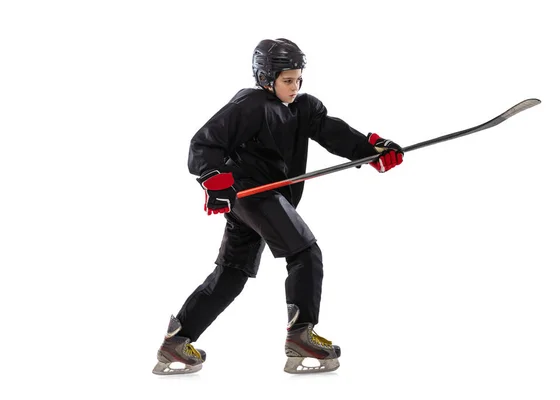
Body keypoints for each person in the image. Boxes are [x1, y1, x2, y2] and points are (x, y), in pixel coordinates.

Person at [152, 38, 404, 376]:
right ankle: (300, 336)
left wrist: (372, 149)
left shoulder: (304, 108)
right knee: (305, 252)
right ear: (266, 78)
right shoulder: (250, 105)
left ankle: (176, 341)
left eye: (299, 78)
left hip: (263, 202)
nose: (295, 86)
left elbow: (333, 132)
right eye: (287, 80)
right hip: (253, 194)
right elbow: (204, 143)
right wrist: (215, 182)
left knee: (232, 273)